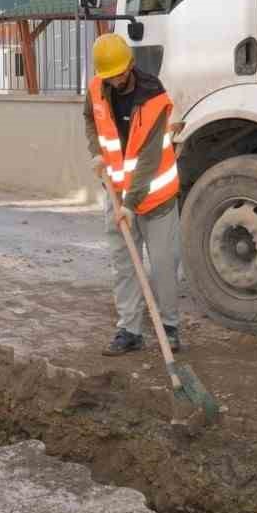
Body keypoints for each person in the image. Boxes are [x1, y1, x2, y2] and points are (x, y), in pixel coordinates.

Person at [85, 34, 183, 356]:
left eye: (118, 74)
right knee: (124, 264)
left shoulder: (154, 97)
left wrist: (130, 205)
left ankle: (168, 328)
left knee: (164, 265)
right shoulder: (98, 88)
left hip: (155, 197)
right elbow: (90, 119)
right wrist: (96, 151)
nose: (114, 81)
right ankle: (129, 330)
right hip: (116, 193)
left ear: (130, 65)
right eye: (108, 76)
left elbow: (149, 159)